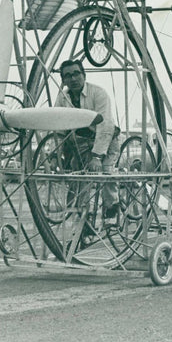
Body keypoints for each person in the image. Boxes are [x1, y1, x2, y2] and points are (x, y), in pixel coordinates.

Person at [54, 60, 120, 228]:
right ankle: (84, 219)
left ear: (84, 75)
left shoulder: (98, 93)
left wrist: (97, 156)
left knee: (106, 173)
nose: (73, 79)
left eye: (76, 74)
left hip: (106, 139)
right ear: (63, 80)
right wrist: (55, 155)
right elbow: (57, 127)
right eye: (68, 76)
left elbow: (105, 125)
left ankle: (111, 212)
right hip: (82, 142)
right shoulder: (62, 98)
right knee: (79, 177)